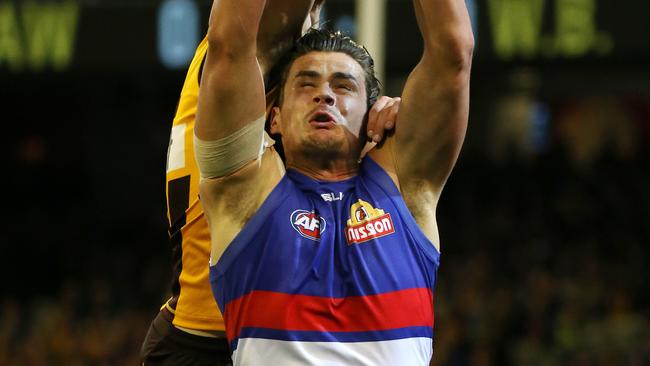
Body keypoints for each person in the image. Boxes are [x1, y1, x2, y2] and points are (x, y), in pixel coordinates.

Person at [194, 0, 473, 364]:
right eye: (306, 84)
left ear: (372, 113)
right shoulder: (245, 191)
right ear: (273, 116)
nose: (324, 95)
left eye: (343, 87)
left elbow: (453, 51)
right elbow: (230, 43)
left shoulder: (406, 187)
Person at [141, 1, 401, 364]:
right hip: (211, 338)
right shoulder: (241, 57)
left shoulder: (289, 72)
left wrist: (383, 121)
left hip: (265, 327)